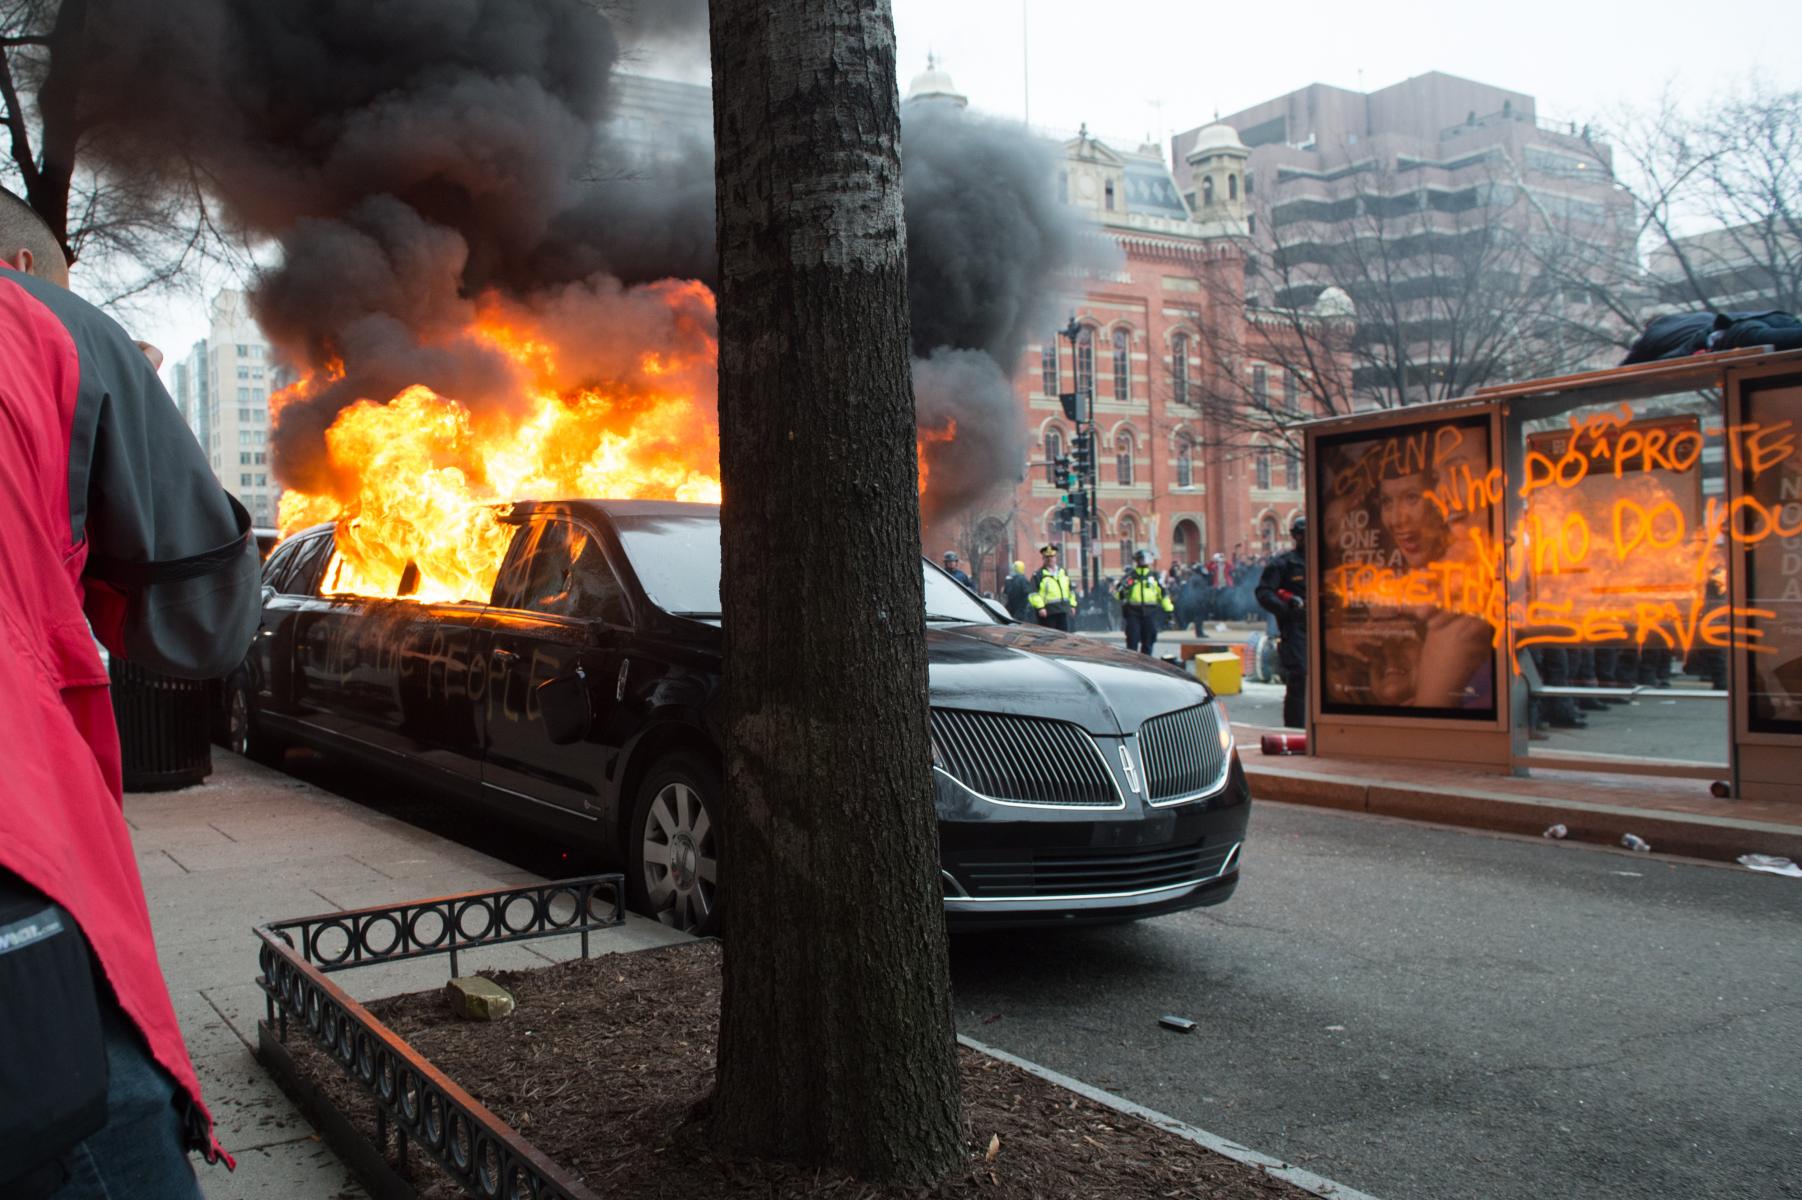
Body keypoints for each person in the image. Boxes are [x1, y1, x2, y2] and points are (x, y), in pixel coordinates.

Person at [0, 189, 260, 1197]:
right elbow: (199, 627)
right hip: (15, 845)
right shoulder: (43, 322)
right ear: (23, 272)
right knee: (97, 1133)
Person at [1257, 516, 1309, 728]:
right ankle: (1295, 729)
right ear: (1296, 536)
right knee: (1300, 676)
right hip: (1296, 627)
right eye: (1304, 534)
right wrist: (1287, 610)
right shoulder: (1284, 563)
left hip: (1323, 627)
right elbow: (1264, 592)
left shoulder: (1324, 559)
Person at [1116, 548, 1175, 655]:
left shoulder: (1155, 576)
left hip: (1150, 612)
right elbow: (1118, 594)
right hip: (1132, 612)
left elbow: (1163, 594)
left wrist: (1169, 610)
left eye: (1146, 559)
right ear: (1137, 561)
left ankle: (1147, 664)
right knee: (1132, 639)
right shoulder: (1130, 576)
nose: (1144, 561)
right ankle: (1131, 664)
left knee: (1149, 639)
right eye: (1141, 559)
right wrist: (1124, 588)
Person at [1026, 544, 1075, 631]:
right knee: (1050, 638)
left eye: (1052, 557)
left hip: (1063, 610)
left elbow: (1070, 591)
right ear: (1043, 559)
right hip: (1047, 612)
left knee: (1064, 637)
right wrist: (1040, 608)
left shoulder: (1062, 572)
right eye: (1047, 557)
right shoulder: (1038, 575)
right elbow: (1033, 594)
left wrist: (1072, 605)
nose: (1050, 559)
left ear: (1056, 558)